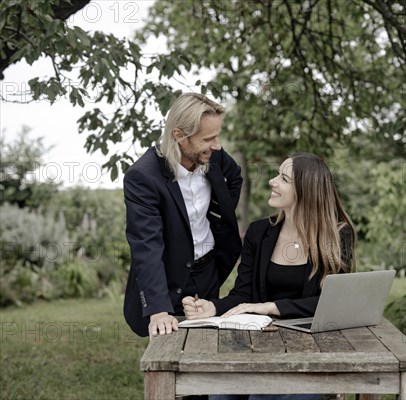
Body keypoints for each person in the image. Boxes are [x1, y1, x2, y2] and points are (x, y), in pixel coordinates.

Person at [182, 152, 355, 325]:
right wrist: (212, 307)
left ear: (306, 191)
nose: (272, 181)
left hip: (316, 341)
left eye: (284, 179)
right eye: (277, 174)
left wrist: (272, 307)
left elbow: (334, 303)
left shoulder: (337, 235)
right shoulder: (258, 232)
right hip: (263, 337)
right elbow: (243, 295)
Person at [123, 92, 243, 337]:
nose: (217, 145)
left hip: (210, 270)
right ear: (179, 135)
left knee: (208, 343)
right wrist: (157, 309)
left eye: (217, 136)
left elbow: (235, 178)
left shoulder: (213, 154)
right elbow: (147, 245)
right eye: (208, 138)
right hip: (168, 278)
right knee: (170, 345)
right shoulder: (143, 177)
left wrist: (218, 220)